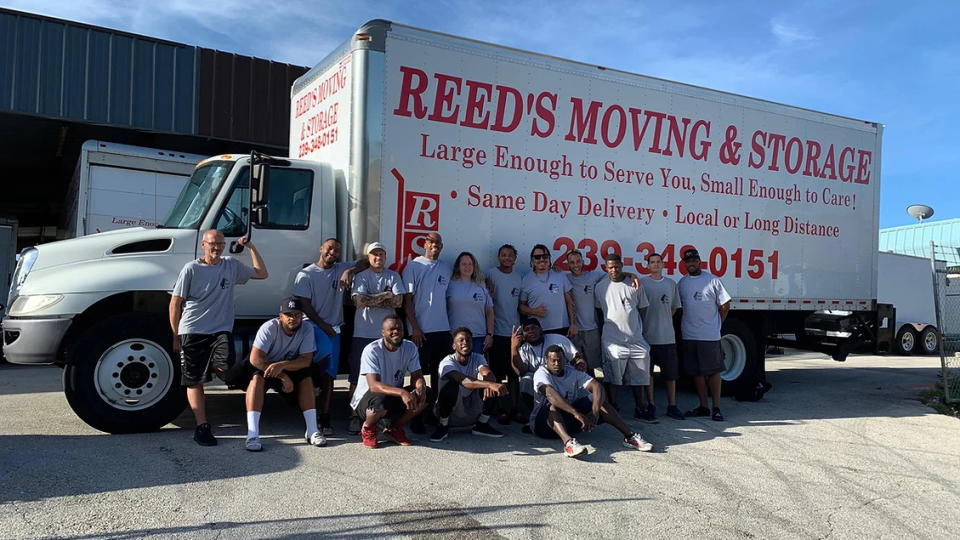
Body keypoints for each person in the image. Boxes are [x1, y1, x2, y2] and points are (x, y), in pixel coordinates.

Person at [169, 229, 267, 446]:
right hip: (193, 330)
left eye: (220, 244)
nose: (217, 248)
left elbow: (261, 273)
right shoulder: (191, 269)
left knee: (226, 363)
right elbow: (176, 303)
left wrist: (250, 247)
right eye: (213, 244)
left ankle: (208, 369)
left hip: (220, 330)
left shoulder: (230, 265)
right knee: (194, 381)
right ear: (203, 245)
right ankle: (202, 427)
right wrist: (175, 336)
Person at [292, 238, 362, 436]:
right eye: (329, 248)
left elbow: (365, 261)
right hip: (311, 329)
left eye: (337, 250)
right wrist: (323, 325)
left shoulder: (340, 269)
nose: (333, 252)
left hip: (334, 331)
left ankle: (324, 415)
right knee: (309, 372)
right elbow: (304, 304)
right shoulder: (306, 274)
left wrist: (350, 271)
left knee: (329, 376)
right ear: (321, 248)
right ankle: (310, 414)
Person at [531, 345, 653, 458]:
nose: (557, 363)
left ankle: (630, 436)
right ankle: (568, 444)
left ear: (564, 360)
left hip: (570, 421)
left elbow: (596, 386)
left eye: (560, 360)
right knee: (553, 406)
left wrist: (594, 411)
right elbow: (550, 395)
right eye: (553, 360)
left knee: (599, 401)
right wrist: (577, 414)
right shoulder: (541, 373)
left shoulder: (571, 372)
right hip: (544, 425)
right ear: (546, 360)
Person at [242, 297, 324, 452]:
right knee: (256, 379)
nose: (293, 318)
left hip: (287, 365)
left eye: (297, 315)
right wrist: (282, 376)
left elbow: (306, 360)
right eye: (289, 315)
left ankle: (312, 430)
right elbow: (255, 359)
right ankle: (252, 434)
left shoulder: (307, 328)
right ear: (281, 316)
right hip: (265, 365)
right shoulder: (269, 327)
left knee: (307, 377)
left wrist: (283, 365)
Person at [348, 241, 404, 434]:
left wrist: (372, 298)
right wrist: (384, 296)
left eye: (381, 254)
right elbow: (359, 302)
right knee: (357, 377)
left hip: (388, 337)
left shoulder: (394, 276)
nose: (378, 258)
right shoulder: (361, 276)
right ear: (368, 258)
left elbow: (398, 300)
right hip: (363, 334)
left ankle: (385, 416)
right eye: (374, 254)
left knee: (388, 376)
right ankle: (355, 416)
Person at [350, 314, 428, 448]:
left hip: (392, 395)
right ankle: (368, 428)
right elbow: (374, 386)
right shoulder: (372, 350)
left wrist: (421, 388)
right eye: (391, 329)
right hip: (367, 399)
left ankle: (393, 428)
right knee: (379, 398)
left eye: (399, 329)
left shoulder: (410, 347)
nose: (396, 332)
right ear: (383, 332)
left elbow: (417, 375)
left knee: (426, 396)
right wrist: (402, 392)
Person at [594, 253, 651, 418]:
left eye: (617, 266)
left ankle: (640, 407)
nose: (614, 270)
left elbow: (642, 308)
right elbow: (599, 312)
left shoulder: (635, 284)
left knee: (639, 377)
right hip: (613, 340)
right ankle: (614, 407)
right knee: (612, 377)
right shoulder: (600, 287)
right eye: (610, 267)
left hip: (636, 339)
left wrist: (635, 326)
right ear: (606, 268)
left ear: (622, 266)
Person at [677, 248, 732, 421]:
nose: (691, 263)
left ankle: (716, 408)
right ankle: (703, 406)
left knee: (714, 371)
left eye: (694, 260)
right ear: (684, 264)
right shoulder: (682, 283)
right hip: (689, 335)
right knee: (697, 373)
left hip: (709, 335)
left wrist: (717, 325)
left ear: (700, 261)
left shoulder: (713, 280)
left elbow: (725, 305)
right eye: (688, 261)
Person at [429, 327, 508, 442]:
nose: (465, 343)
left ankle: (482, 424)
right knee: (451, 385)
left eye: (468, 340)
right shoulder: (446, 362)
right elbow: (464, 381)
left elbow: (487, 373)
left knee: (494, 383)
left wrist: (491, 383)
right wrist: (490, 385)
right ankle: (443, 426)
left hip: (471, 410)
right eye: (460, 340)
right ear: (454, 346)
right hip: (451, 413)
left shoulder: (478, 357)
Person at [402, 232, 453, 401]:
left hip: (443, 330)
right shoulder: (414, 266)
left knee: (441, 374)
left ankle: (437, 412)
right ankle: (417, 414)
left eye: (438, 242)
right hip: (421, 332)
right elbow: (407, 300)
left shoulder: (446, 268)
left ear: (442, 246)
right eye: (431, 242)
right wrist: (415, 328)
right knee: (418, 375)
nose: (434, 245)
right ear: (424, 244)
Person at [510, 317, 584, 427]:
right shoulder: (523, 349)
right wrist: (514, 348)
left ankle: (576, 413)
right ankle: (538, 415)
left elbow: (576, 358)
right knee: (526, 380)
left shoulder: (557, 339)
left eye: (534, 328)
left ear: (541, 330)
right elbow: (520, 371)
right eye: (527, 329)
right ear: (523, 335)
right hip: (543, 387)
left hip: (562, 379)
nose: (531, 331)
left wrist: (581, 362)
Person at [639, 252, 684, 420]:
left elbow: (674, 308)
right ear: (648, 265)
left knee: (671, 374)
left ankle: (672, 405)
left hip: (667, 338)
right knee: (648, 374)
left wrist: (663, 321)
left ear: (663, 264)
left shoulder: (671, 284)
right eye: (652, 262)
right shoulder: (643, 283)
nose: (655, 264)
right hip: (647, 337)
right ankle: (651, 404)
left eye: (658, 262)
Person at [485, 244, 525, 424]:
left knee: (514, 374)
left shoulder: (519, 278)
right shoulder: (491, 274)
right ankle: (501, 408)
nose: (507, 258)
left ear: (515, 258)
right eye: (503, 255)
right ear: (498, 257)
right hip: (498, 332)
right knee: (499, 372)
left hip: (514, 333)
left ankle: (515, 408)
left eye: (510, 255)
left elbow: (520, 306)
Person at [519, 244, 576, 336]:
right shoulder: (526, 279)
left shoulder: (560, 275)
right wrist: (534, 311)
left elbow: (570, 302)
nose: (541, 259)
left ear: (549, 258)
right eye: (537, 257)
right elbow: (521, 307)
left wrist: (573, 324)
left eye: (545, 256)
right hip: (537, 331)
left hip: (562, 328)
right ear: (532, 260)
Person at [446, 251, 494, 354]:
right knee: (457, 369)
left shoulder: (482, 284)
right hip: (456, 337)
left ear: (474, 266)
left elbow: (489, 311)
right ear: (458, 266)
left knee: (477, 369)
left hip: (478, 337)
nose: (467, 267)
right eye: (463, 264)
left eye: (470, 264)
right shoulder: (450, 284)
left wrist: (490, 335)